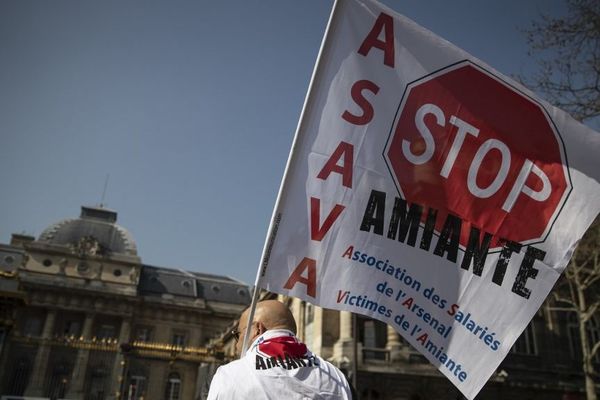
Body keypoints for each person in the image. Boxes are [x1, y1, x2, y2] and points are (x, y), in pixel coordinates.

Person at [207, 300, 353, 399]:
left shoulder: (229, 375)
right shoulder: (337, 377)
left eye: (238, 335)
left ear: (257, 329)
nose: (237, 345)